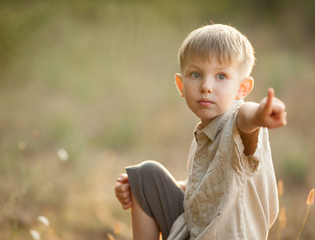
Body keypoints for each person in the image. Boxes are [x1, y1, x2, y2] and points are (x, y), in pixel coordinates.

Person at [114, 23, 287, 240]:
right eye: (196, 74)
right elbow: (200, 191)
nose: (206, 86)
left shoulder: (238, 122)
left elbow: (247, 118)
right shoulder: (204, 133)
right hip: (194, 231)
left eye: (221, 76)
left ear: (242, 89)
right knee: (144, 176)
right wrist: (142, 192)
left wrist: (261, 113)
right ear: (181, 85)